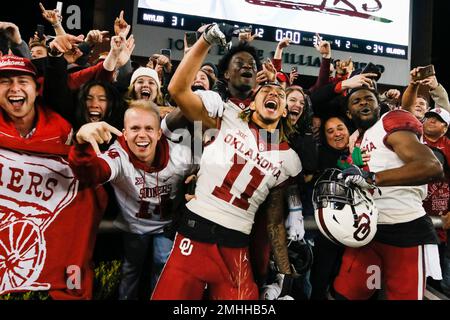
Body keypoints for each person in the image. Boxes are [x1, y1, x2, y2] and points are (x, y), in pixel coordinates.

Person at [151, 23, 302, 300]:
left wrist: (283, 273)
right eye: (240, 63)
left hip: (238, 243)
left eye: (280, 95)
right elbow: (176, 95)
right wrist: (205, 41)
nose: (274, 96)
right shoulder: (222, 114)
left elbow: (274, 213)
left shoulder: (282, 150)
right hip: (196, 232)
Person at [0, 54, 106, 299]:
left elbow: (86, 179)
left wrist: (82, 147)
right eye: (5, 82)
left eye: (22, 81)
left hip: (44, 255)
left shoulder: (61, 128)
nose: (14, 88)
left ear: (37, 89)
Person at [68, 100, 195, 300]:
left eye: (149, 128)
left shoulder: (180, 156)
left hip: (167, 226)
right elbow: (92, 173)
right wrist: (81, 143)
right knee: (130, 269)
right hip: (135, 227)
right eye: (135, 128)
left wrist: (196, 180)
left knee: (162, 264)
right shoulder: (119, 156)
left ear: (159, 133)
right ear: (124, 134)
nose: (142, 135)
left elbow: (204, 173)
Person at [332, 84, 444, 300]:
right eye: (356, 101)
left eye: (369, 99)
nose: (363, 102)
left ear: (379, 105)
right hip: (368, 229)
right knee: (346, 293)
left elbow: (431, 166)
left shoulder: (389, 123)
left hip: (404, 228)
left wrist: (373, 179)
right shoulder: (356, 138)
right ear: (348, 112)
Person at [421, 107, 450, 296]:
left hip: (443, 218)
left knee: (441, 278)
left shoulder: (448, 146)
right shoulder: (412, 140)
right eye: (429, 116)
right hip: (417, 214)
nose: (431, 120)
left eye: (437, 118)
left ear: (445, 127)